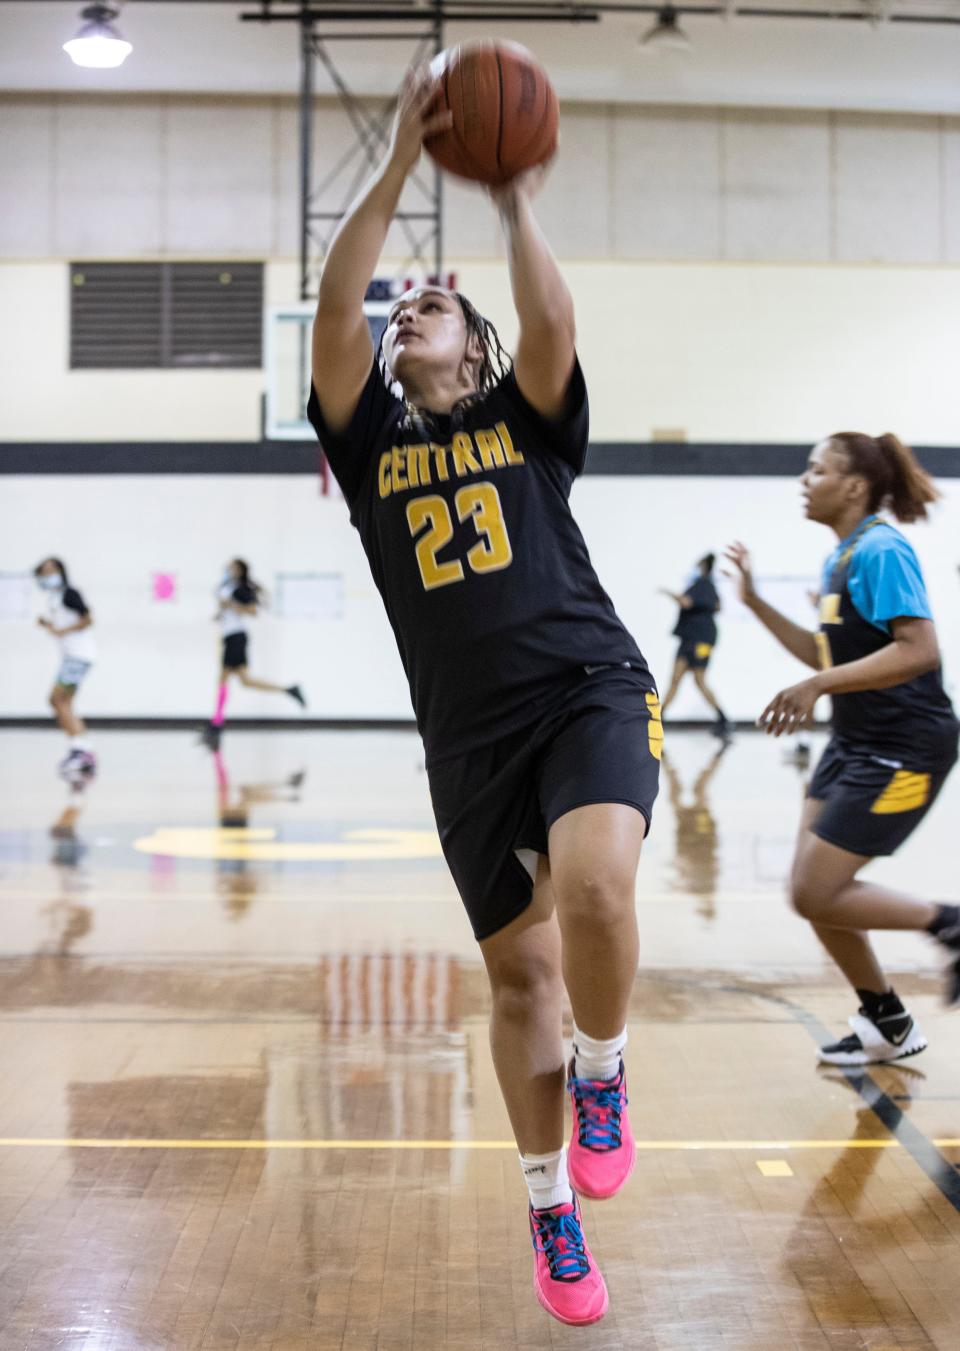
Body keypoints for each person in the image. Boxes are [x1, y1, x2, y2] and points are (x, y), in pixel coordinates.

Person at [306, 70, 662, 1327]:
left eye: (437, 305)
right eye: (408, 309)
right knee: (520, 988)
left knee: (599, 886)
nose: (412, 311)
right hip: (467, 740)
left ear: (479, 345)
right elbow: (336, 311)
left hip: (587, 685)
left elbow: (556, 319)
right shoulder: (369, 447)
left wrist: (512, 202)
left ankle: (606, 1069)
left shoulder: (528, 421)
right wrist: (402, 162)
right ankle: (550, 1207)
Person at [725, 431, 960, 1066]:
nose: (805, 480)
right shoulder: (843, 556)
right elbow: (824, 655)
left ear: (854, 487)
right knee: (812, 889)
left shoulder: (882, 550)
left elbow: (920, 650)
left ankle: (950, 922)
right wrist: (754, 602)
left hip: (906, 747)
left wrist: (818, 685)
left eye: (816, 469)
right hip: (854, 742)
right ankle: (889, 1021)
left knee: (816, 893)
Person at [201, 558, 305, 748]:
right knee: (245, 681)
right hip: (230, 637)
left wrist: (230, 605)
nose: (228, 568)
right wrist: (221, 613)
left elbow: (253, 611)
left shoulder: (240, 589)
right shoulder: (229, 586)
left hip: (237, 637)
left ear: (239, 569)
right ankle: (289, 690)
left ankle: (217, 723)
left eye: (232, 566)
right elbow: (229, 608)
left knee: (224, 679)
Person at [34, 557, 97, 779]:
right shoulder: (54, 598)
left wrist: (64, 631)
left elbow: (87, 619)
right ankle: (80, 749)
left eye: (51, 570)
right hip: (71, 656)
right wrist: (49, 626)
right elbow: (61, 628)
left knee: (57, 699)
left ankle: (82, 750)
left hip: (78, 657)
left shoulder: (70, 593)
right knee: (64, 702)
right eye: (44, 572)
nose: (48, 575)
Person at [658, 553, 732, 736]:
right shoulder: (706, 587)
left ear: (703, 566)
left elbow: (686, 602)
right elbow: (717, 606)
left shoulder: (703, 585)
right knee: (679, 678)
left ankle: (723, 718)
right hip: (693, 639)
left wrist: (668, 593)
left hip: (701, 640)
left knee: (696, 679)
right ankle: (659, 717)